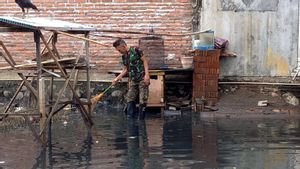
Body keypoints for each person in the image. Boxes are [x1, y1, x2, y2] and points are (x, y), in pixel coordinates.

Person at [112, 39, 150, 120]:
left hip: (142, 78)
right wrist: (117, 78)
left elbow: (145, 62)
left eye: (119, 50)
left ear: (123, 46)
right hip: (133, 80)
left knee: (143, 98)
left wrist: (147, 75)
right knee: (130, 98)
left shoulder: (136, 50)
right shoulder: (124, 56)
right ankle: (130, 119)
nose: (119, 52)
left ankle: (141, 120)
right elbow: (125, 70)